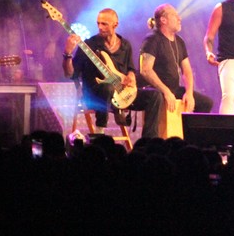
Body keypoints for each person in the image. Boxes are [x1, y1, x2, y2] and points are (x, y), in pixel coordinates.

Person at [63, 8, 163, 139]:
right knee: (107, 87)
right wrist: (67, 54)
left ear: (115, 25)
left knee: (155, 95)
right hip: (95, 95)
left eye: (104, 24)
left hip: (121, 93)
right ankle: (99, 135)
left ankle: (149, 141)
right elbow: (70, 74)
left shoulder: (125, 45)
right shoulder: (89, 45)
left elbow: (131, 69)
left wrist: (131, 77)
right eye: (98, 23)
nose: (99, 27)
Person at [140, 4, 214, 114]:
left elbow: (187, 70)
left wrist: (189, 93)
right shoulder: (152, 39)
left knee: (206, 103)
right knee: (157, 97)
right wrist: (166, 91)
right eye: (175, 15)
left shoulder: (179, 41)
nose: (179, 18)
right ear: (163, 20)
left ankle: (190, 131)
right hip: (156, 90)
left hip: (173, 89)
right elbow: (145, 70)